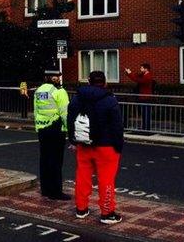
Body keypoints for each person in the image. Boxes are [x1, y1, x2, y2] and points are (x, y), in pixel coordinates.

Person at [68, 71, 124, 224]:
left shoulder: (77, 98)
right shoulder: (110, 100)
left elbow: (70, 118)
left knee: (82, 176)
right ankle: (107, 213)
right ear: (104, 82)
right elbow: (117, 126)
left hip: (83, 143)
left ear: (89, 81)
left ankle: (81, 208)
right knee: (106, 179)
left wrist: (73, 140)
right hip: (106, 146)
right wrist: (118, 146)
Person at [34, 70, 70, 200]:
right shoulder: (60, 91)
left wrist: (38, 126)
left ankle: (45, 189)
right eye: (57, 76)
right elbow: (65, 113)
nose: (58, 78)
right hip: (56, 129)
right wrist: (68, 130)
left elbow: (36, 111)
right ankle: (56, 192)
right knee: (56, 161)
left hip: (42, 129)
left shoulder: (39, 91)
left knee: (44, 159)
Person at [124, 63, 154, 131]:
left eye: (142, 68)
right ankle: (144, 127)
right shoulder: (144, 75)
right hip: (143, 97)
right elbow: (136, 76)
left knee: (146, 113)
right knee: (144, 113)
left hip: (146, 97)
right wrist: (129, 72)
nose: (140, 69)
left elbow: (137, 80)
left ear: (146, 69)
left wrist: (129, 73)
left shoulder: (147, 76)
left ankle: (146, 128)